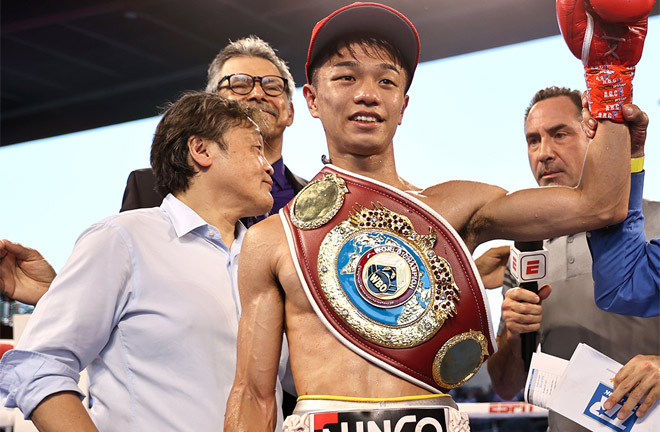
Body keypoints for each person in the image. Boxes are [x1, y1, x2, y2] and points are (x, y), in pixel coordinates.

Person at [223, 3, 640, 430]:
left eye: (386, 80)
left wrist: (608, 78)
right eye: (346, 76)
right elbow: (253, 394)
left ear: (402, 105)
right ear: (312, 98)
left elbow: (599, 205)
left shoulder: (457, 209)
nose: (367, 92)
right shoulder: (273, 240)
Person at [0, 92, 289, 431]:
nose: (269, 165)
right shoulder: (122, 239)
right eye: (256, 149)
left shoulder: (271, 259)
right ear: (201, 150)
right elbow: (40, 365)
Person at [485, 87, 660, 430]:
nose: (544, 153)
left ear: (593, 135)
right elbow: (506, 387)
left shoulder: (656, 224)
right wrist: (512, 337)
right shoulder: (526, 252)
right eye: (533, 141)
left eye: (559, 134)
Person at [120, 36, 306, 223]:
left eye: (272, 87)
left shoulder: (318, 195)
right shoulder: (148, 188)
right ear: (213, 105)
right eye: (240, 85)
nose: (258, 94)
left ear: (290, 111)